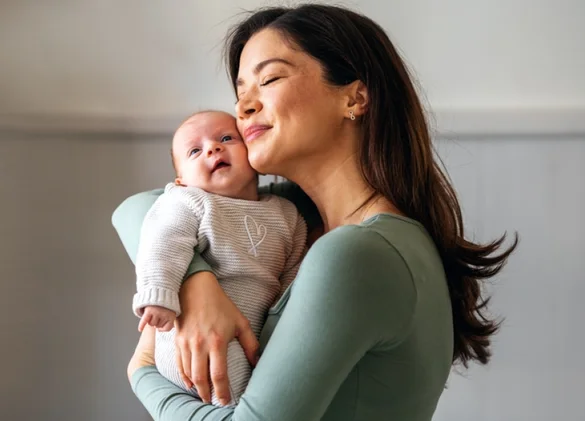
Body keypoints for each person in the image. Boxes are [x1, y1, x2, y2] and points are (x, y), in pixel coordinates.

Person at [112, 4, 517, 420]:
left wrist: (143, 372)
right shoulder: (301, 215)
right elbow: (137, 209)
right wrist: (198, 286)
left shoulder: (356, 252)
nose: (244, 106)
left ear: (354, 97)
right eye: (240, 92)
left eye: (268, 78)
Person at [132, 110, 306, 407]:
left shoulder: (287, 214)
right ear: (181, 180)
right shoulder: (188, 201)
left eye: (226, 138)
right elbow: (163, 241)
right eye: (195, 151)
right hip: (191, 339)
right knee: (232, 383)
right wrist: (157, 295)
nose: (213, 148)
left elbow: (292, 276)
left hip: (252, 332)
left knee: (261, 382)